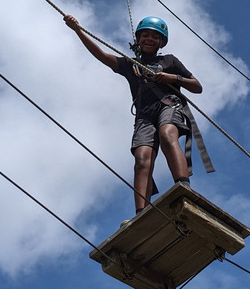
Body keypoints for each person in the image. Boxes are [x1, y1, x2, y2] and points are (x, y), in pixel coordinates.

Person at [64, 14, 202, 215]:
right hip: (144, 115)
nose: (149, 39)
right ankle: (141, 213)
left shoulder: (169, 60)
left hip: (168, 106)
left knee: (167, 134)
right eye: (145, 35)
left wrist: (173, 77)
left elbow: (197, 87)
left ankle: (184, 188)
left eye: (155, 37)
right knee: (141, 158)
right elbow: (103, 56)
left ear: (161, 42)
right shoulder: (130, 64)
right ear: (137, 39)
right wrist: (78, 31)